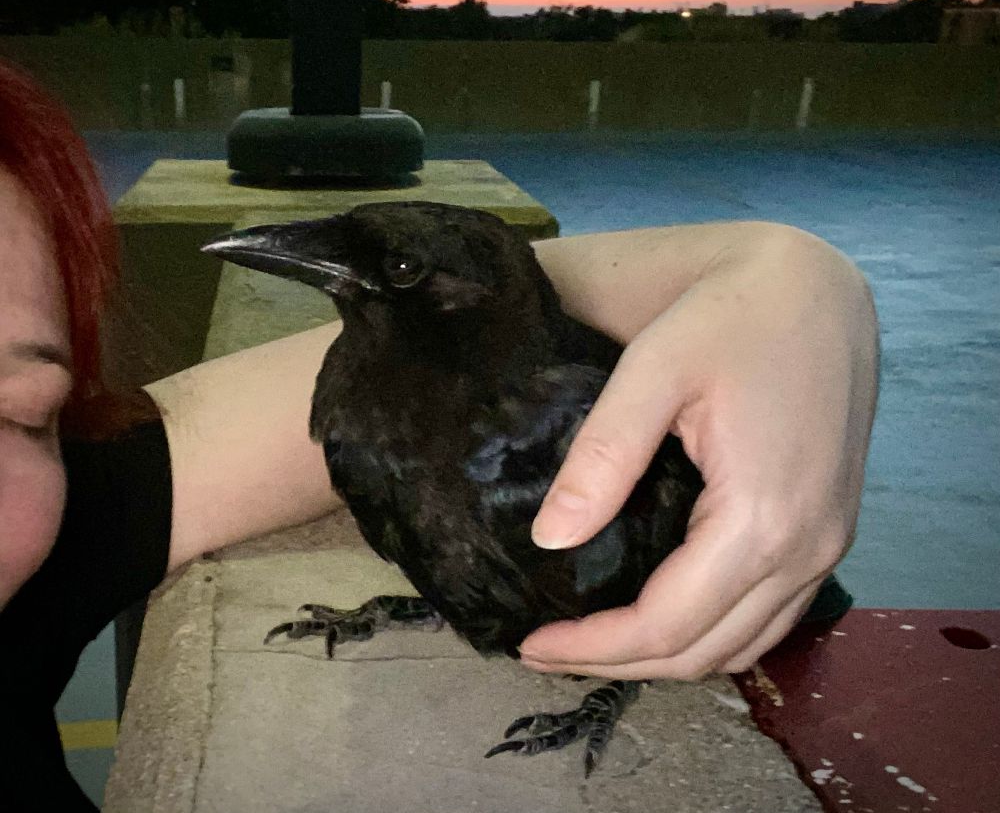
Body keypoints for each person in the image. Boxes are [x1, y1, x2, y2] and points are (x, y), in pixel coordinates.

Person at [0, 58, 879, 810]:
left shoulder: (60, 516)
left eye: (21, 409)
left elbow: (534, 297)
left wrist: (797, 278)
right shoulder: (372, 400)